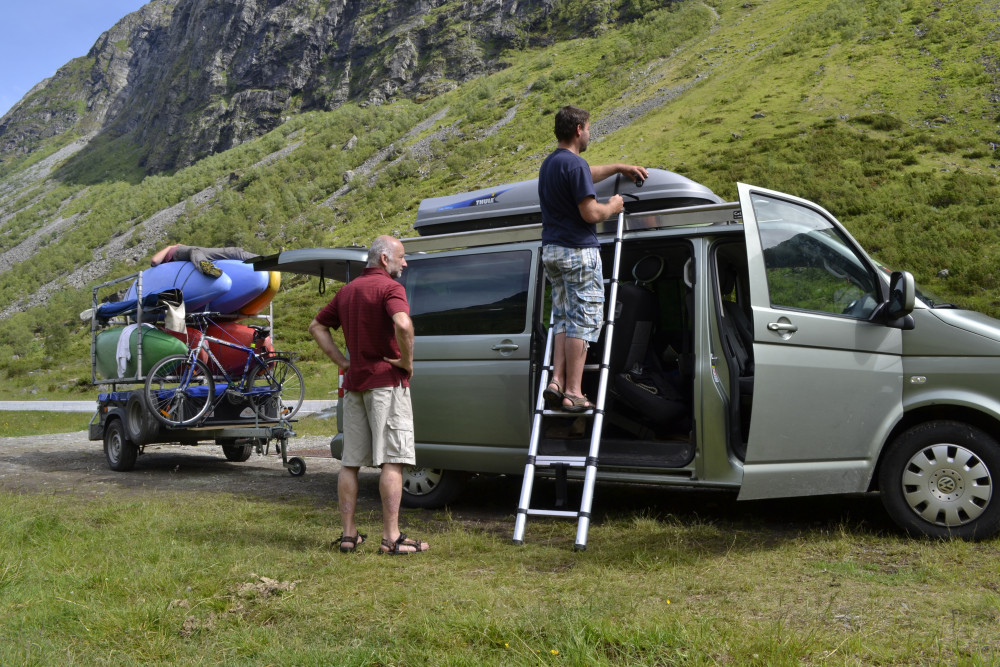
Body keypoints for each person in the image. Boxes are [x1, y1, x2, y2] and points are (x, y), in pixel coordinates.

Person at [308, 235, 429, 555]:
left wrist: (342, 362)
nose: (405, 263)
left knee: (350, 463)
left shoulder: (347, 291)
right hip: (386, 384)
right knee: (393, 460)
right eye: (401, 257)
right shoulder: (390, 288)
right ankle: (391, 538)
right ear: (384, 259)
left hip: (355, 385)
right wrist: (407, 362)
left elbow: (316, 327)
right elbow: (403, 324)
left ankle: (349, 536)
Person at [539, 105, 648, 413]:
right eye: (588, 128)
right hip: (577, 251)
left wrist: (618, 167)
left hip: (553, 251)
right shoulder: (574, 164)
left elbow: (584, 175)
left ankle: (557, 381)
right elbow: (590, 213)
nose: (589, 133)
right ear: (578, 130)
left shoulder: (551, 164)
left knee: (563, 317)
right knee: (583, 320)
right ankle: (574, 392)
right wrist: (613, 205)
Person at [150, 244, 254, 278]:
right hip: (181, 254)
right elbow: (154, 261)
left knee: (232, 251)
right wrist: (170, 247)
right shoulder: (170, 250)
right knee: (194, 250)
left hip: (198, 253)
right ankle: (207, 268)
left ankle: (261, 259)